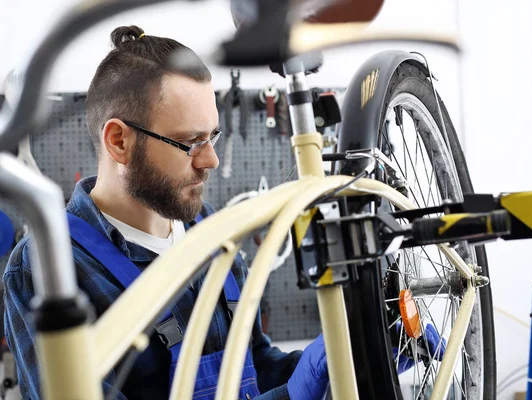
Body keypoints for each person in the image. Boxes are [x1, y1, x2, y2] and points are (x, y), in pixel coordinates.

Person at [3, 24, 445, 400]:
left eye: (214, 136)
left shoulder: (210, 230)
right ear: (119, 141)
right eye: (191, 142)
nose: (210, 159)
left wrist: (337, 358)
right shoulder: (47, 270)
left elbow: (251, 369)